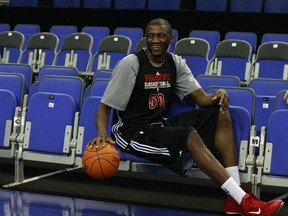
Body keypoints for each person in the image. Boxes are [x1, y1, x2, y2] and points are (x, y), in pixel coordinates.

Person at [87, 18, 284, 215]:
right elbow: (104, 107)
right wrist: (101, 133)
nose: (155, 40)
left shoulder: (175, 63)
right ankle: (245, 201)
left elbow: (202, 98)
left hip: (159, 125)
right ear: (145, 38)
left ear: (171, 39)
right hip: (130, 132)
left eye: (161, 36)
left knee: (220, 112)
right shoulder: (131, 64)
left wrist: (219, 95)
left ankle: (234, 200)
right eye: (150, 36)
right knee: (188, 135)